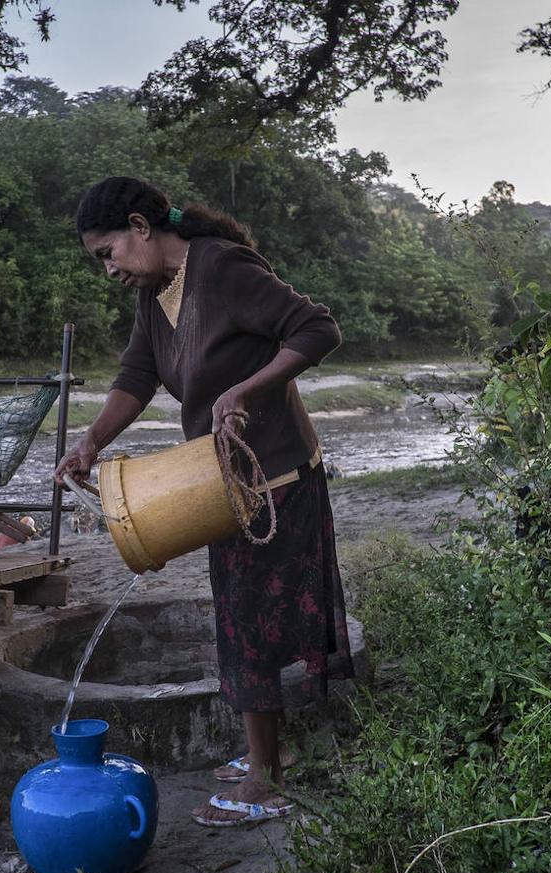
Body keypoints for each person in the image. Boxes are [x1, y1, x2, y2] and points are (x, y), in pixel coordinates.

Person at [54, 176, 353, 827]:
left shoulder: (221, 268)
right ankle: (268, 754)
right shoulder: (155, 294)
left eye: (108, 253)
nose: (109, 270)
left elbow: (317, 327)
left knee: (253, 629)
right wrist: (91, 442)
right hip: (222, 485)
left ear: (140, 226)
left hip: (277, 477)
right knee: (245, 624)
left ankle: (267, 783)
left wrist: (248, 390)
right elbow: (137, 376)